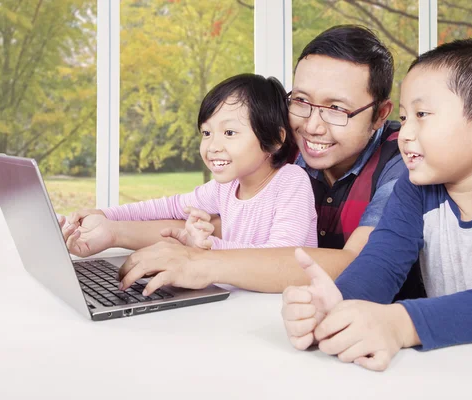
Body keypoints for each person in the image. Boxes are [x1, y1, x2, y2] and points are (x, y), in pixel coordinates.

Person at [62, 25, 423, 296]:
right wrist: (109, 229)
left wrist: (199, 261)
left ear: (380, 114)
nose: (312, 126)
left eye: (336, 109)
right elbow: (212, 223)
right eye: (300, 101)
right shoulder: (284, 145)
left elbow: (355, 264)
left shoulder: (401, 159)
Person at [281, 38, 472, 371]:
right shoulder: (415, 189)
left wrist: (401, 323)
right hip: (461, 376)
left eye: (422, 115)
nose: (405, 134)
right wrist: (335, 306)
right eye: (405, 118)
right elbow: (378, 269)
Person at [65, 74, 317, 262]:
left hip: (283, 305)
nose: (212, 145)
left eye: (229, 132)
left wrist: (207, 246)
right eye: (206, 132)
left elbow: (282, 257)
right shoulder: (227, 187)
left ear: (274, 139)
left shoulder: (291, 182)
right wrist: (105, 214)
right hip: (243, 298)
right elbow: (169, 206)